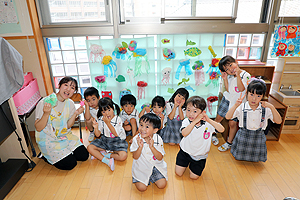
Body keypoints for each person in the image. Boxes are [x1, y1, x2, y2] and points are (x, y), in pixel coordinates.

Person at [35, 76, 89, 170]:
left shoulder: (70, 103)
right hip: (49, 140)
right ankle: (44, 155)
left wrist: (75, 113)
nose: (68, 89)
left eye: (72, 88)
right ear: (59, 86)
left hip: (65, 135)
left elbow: (68, 126)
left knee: (84, 155)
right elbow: (38, 128)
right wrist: (46, 114)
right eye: (66, 85)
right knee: (70, 164)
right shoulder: (45, 102)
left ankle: (66, 152)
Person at [225, 79, 282, 162]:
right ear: (247, 93)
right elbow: (228, 117)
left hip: (258, 137)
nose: (254, 99)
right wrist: (236, 105)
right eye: (251, 94)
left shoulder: (265, 109)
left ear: (263, 96)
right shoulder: (242, 107)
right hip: (243, 136)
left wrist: (272, 107)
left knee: (255, 160)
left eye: (258, 96)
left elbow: (278, 121)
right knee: (239, 158)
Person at [175, 96, 224, 179]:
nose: (190, 114)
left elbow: (221, 129)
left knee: (193, 177)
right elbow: (184, 133)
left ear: (203, 112)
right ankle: (186, 163)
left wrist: (209, 120)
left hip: (200, 156)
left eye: (195, 111)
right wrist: (194, 122)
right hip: (185, 152)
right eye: (188, 110)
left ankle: (193, 166)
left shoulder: (208, 124)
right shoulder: (186, 121)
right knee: (178, 173)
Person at [214, 55, 251, 151]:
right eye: (227, 69)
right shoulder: (230, 76)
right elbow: (229, 90)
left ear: (236, 62)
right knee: (218, 118)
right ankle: (212, 133)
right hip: (227, 99)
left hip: (237, 103)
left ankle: (229, 142)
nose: (230, 69)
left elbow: (241, 89)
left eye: (230, 65)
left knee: (232, 123)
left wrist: (238, 75)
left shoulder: (245, 75)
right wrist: (225, 79)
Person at [87, 97, 128, 171]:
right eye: (103, 112)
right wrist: (96, 128)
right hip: (105, 140)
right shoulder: (101, 119)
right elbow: (98, 135)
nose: (107, 113)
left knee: (123, 156)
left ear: (113, 108)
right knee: (89, 147)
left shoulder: (118, 119)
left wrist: (107, 123)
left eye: (109, 110)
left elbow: (115, 134)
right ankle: (107, 161)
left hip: (117, 141)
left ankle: (104, 154)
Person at [130, 113, 168, 192]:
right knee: (142, 188)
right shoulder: (136, 139)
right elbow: (135, 157)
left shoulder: (158, 139)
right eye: (141, 125)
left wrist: (152, 147)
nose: (143, 129)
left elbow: (160, 158)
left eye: (147, 127)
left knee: (162, 185)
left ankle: (150, 177)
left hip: (155, 166)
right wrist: (140, 147)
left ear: (155, 130)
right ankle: (140, 177)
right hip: (141, 167)